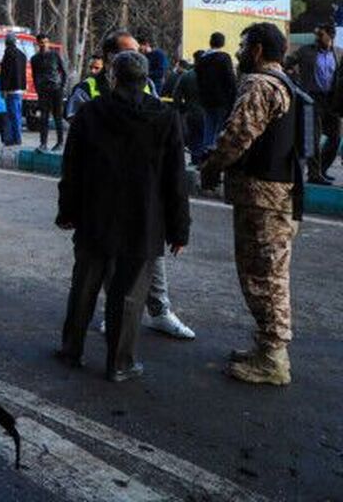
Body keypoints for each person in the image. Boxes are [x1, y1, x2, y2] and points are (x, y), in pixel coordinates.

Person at [56, 51, 190, 382]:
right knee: (129, 296)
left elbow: (72, 170)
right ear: (147, 81)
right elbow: (176, 180)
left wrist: (67, 212)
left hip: (94, 217)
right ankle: (119, 364)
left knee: (84, 286)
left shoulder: (90, 113)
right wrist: (179, 230)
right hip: (143, 223)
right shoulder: (165, 118)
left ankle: (72, 349)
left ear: (113, 77)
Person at [201, 23, 302, 385]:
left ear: (257, 50)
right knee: (264, 272)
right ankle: (265, 348)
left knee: (266, 276)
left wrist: (212, 167)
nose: (239, 52)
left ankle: (274, 359)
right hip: (274, 195)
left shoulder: (260, 84)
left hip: (264, 198)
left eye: (244, 46)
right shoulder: (284, 82)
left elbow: (237, 135)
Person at [286, 22, 342, 184]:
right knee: (313, 139)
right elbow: (286, 63)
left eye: (320, 35)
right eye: (316, 34)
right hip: (311, 99)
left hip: (332, 101)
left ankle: (321, 169)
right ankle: (314, 175)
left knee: (335, 138)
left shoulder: (339, 53)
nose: (316, 38)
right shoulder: (305, 51)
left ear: (331, 36)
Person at [196, 32, 237, 160]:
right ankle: (216, 158)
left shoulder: (202, 59)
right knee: (220, 130)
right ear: (222, 43)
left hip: (206, 100)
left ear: (210, 42)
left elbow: (198, 79)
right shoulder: (224, 58)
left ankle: (205, 155)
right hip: (222, 100)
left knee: (208, 127)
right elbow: (230, 79)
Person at [30, 34, 68, 151]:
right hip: (43, 91)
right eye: (41, 42)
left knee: (57, 117)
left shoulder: (55, 55)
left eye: (46, 42)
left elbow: (63, 72)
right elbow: (34, 76)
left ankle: (60, 142)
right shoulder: (34, 59)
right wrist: (38, 90)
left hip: (56, 89)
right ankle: (43, 144)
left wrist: (61, 87)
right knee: (44, 118)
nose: (44, 45)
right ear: (38, 43)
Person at [0, 34, 27, 146]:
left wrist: (3, 88)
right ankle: (16, 138)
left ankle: (13, 139)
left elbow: (7, 73)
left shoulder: (8, 54)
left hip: (11, 89)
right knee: (17, 114)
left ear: (6, 42)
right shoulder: (22, 54)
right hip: (20, 89)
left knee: (12, 115)